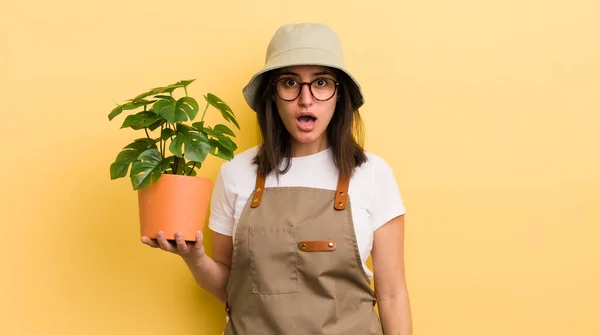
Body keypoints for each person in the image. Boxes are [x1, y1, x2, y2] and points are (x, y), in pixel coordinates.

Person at [141, 23, 412, 334]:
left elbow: (392, 295)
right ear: (272, 95)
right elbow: (230, 288)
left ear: (340, 95)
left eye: (321, 82)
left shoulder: (373, 173)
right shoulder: (235, 173)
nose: (306, 99)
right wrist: (194, 257)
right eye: (289, 82)